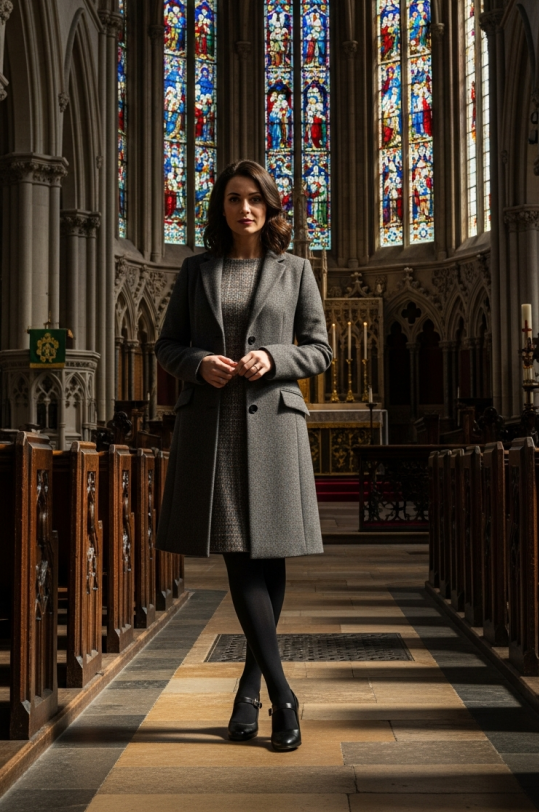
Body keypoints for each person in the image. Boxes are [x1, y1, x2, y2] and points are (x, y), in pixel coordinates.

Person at [155, 159, 332, 753]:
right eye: (234, 198)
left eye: (255, 198)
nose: (245, 208)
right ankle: (285, 696)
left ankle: (250, 687)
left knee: (270, 557)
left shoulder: (296, 270)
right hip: (214, 430)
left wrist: (276, 359)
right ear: (221, 208)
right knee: (238, 556)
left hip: (275, 428)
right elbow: (168, 345)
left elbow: (320, 349)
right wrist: (198, 364)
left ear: (270, 205)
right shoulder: (195, 270)